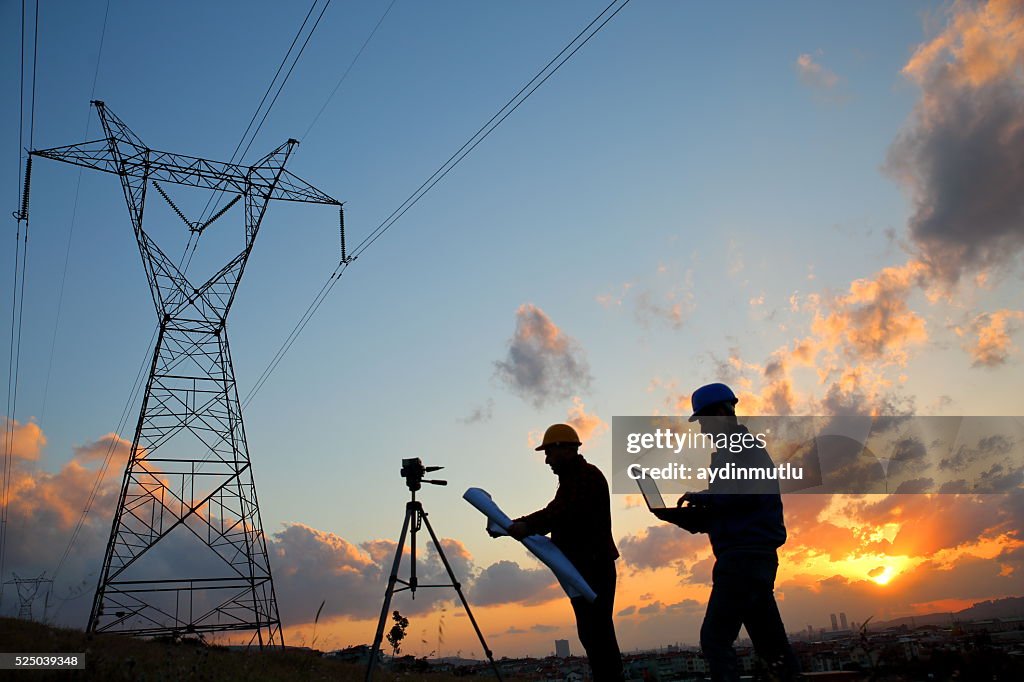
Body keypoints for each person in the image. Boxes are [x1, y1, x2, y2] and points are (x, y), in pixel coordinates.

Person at [653, 383, 799, 682]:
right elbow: (728, 510)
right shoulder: (738, 452)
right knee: (773, 649)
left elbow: (739, 497)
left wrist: (701, 497)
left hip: (742, 561)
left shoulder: (741, 449)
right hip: (753, 560)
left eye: (705, 421)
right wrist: (682, 518)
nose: (704, 430)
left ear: (721, 413)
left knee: (715, 640)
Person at [507, 423, 624, 681]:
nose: (547, 460)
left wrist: (522, 526)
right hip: (583, 567)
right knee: (593, 633)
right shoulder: (574, 480)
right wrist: (518, 525)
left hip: (593, 566)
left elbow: (559, 514)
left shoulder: (586, 477)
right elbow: (556, 511)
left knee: (597, 633)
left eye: (550, 453)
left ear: (566, 450)